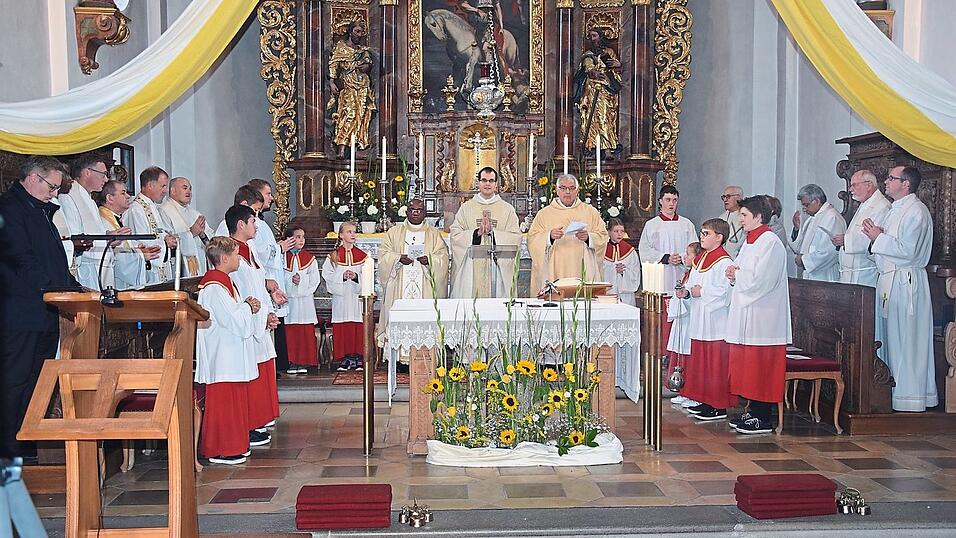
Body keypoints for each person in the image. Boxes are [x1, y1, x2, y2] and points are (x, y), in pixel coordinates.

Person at [0, 156, 80, 460]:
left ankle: (26, 442)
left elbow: (52, 260)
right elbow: (21, 260)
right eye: (52, 186)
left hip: (45, 312)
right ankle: (9, 447)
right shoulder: (9, 209)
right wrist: (56, 288)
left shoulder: (40, 210)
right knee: (15, 379)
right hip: (19, 314)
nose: (54, 194)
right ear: (33, 178)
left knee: (36, 381)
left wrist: (73, 287)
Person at [862, 166, 937, 412]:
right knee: (891, 339)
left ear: (905, 184)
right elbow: (884, 250)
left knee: (907, 341)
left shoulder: (917, 212)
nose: (886, 181)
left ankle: (909, 397)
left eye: (891, 178)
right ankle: (891, 392)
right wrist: (877, 238)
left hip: (907, 284)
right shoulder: (894, 210)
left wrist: (878, 237)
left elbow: (908, 251)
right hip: (890, 281)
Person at [724, 195, 792, 434]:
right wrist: (733, 274)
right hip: (749, 313)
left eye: (744, 215)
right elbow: (742, 273)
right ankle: (752, 411)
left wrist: (737, 274)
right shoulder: (751, 241)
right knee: (748, 366)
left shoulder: (770, 242)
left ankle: (763, 417)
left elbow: (762, 280)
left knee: (761, 366)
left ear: (759, 217)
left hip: (764, 317)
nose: (740, 219)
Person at [195, 237, 262, 465]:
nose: (238, 258)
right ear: (224, 258)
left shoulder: (225, 282)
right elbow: (232, 319)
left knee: (234, 401)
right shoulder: (214, 286)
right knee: (225, 402)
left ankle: (235, 445)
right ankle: (221, 449)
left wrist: (246, 306)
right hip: (222, 355)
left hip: (230, 352)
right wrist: (247, 306)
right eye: (235, 254)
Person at [226, 205, 278, 446]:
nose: (256, 226)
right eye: (252, 221)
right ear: (240, 225)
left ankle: (257, 420)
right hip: (247, 322)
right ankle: (248, 424)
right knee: (250, 372)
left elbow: (258, 284)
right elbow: (242, 292)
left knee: (262, 368)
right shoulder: (230, 254)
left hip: (260, 318)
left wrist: (269, 310)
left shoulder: (251, 249)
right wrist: (259, 315)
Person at [677, 219, 735, 422]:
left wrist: (701, 292)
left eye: (706, 233)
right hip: (700, 316)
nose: (701, 236)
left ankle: (718, 405)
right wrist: (686, 292)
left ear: (719, 237)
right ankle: (704, 399)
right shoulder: (701, 259)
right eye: (701, 233)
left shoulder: (725, 261)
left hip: (715, 320)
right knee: (701, 361)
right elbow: (693, 283)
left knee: (715, 362)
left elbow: (725, 291)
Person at [377, 198, 449, 348]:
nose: (415, 213)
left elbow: (443, 257)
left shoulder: (434, 234)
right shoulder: (394, 232)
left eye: (419, 210)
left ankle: (426, 354)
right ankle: (400, 357)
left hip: (425, 286)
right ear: (406, 212)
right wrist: (398, 259)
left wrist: (429, 260)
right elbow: (384, 255)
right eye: (412, 210)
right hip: (400, 285)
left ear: (425, 213)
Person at [638, 185, 697, 355]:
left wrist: (683, 259)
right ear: (660, 201)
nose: (671, 204)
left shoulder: (686, 224)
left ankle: (677, 353)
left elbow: (694, 249)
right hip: (661, 278)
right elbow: (645, 250)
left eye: (675, 200)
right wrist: (665, 258)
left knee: (680, 318)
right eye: (668, 200)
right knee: (662, 319)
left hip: (680, 274)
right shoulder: (652, 225)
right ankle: (661, 353)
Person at [527, 174, 609, 293]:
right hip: (555, 267)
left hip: (582, 266)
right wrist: (549, 236)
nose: (567, 192)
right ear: (556, 190)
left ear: (577, 190)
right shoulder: (544, 214)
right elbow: (533, 239)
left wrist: (589, 238)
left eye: (571, 188)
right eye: (563, 188)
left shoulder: (590, 212)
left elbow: (603, 236)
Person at [449, 167, 522, 298]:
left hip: (497, 267)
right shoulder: (466, 208)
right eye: (484, 180)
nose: (487, 184)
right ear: (478, 183)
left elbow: (515, 237)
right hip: (471, 267)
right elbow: (455, 234)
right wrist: (476, 233)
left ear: (496, 184)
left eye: (491, 180)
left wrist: (494, 234)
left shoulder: (507, 209)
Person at [248, 179, 293, 377]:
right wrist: (279, 248)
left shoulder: (259, 222)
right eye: (267, 194)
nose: (272, 198)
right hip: (263, 280)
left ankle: (277, 364)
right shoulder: (251, 222)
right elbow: (258, 252)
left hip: (267, 279)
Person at [58, 154, 120, 290]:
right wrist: (105, 239)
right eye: (103, 174)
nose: (106, 179)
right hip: (87, 267)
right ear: (87, 172)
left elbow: (94, 231)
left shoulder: (89, 197)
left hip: (100, 264)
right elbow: (75, 237)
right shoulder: (69, 195)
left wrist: (109, 236)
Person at [322, 222, 370, 371]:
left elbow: (368, 276)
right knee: (343, 326)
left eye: (354, 232)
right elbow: (327, 275)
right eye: (349, 232)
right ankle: (344, 358)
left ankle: (359, 357)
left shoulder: (362, 256)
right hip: (341, 298)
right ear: (341, 235)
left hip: (356, 298)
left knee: (357, 325)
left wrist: (356, 277)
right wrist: (341, 277)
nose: (353, 234)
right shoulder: (334, 256)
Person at [834, 170, 891, 287]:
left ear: (868, 185)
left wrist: (845, 240)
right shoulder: (864, 204)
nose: (850, 189)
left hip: (865, 275)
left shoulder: (881, 206)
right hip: (851, 273)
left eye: (854, 185)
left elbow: (872, 239)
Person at [329, 20, 376, 158]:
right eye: (357, 31)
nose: (359, 35)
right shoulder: (341, 48)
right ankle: (342, 148)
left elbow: (368, 65)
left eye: (361, 32)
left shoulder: (363, 51)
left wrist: (366, 67)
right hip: (348, 85)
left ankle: (357, 147)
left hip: (363, 86)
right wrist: (332, 81)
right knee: (349, 114)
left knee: (361, 115)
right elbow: (333, 64)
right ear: (350, 32)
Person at [124, 166, 178, 285]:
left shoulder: (152, 206)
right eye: (163, 186)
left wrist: (168, 238)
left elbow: (158, 233)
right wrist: (165, 243)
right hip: (149, 271)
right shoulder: (136, 209)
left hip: (160, 267)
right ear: (150, 185)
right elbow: (141, 242)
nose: (165, 191)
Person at [573, 27, 623, 153]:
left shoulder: (609, 52)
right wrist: (590, 72)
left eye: (594, 36)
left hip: (606, 88)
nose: (592, 39)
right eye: (590, 36)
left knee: (605, 117)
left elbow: (615, 71)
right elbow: (585, 70)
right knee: (591, 116)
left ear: (601, 37)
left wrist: (617, 66)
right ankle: (591, 145)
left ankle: (607, 146)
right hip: (590, 90)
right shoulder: (588, 55)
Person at [666, 241, 701, 411]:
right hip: (683, 319)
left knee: (689, 357)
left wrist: (684, 295)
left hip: (691, 320)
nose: (685, 257)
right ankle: (685, 391)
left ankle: (693, 392)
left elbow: (693, 296)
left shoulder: (696, 273)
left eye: (689, 254)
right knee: (681, 355)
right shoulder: (687, 273)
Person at [97, 179, 150, 290]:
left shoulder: (115, 218)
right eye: (123, 193)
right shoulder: (103, 221)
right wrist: (140, 256)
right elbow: (117, 258)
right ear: (110, 198)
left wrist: (136, 249)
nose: (128, 196)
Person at [282, 224, 321, 375]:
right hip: (289, 301)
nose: (301, 240)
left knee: (304, 331)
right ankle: (291, 361)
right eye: (298, 237)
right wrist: (291, 280)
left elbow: (315, 279)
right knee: (290, 332)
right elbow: (277, 276)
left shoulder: (310, 258)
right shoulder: (282, 257)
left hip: (305, 302)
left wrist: (302, 281)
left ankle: (304, 361)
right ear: (289, 238)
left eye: (303, 237)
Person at [160, 177, 212, 278]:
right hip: (178, 269)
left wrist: (202, 234)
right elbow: (168, 240)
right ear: (173, 191)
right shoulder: (164, 211)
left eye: (190, 189)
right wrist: (191, 233)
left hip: (199, 266)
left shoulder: (194, 213)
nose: (189, 191)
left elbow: (210, 240)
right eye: (185, 188)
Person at [792, 184, 846, 282]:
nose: (804, 209)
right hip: (811, 274)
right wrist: (797, 229)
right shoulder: (812, 218)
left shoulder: (832, 218)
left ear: (817, 201)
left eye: (806, 205)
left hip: (824, 275)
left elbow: (830, 252)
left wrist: (804, 261)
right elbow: (801, 246)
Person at [603, 218, 640, 306]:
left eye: (622, 231)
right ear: (609, 232)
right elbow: (598, 271)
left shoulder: (630, 251)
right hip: (608, 295)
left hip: (625, 295)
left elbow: (636, 272)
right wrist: (611, 269)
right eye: (616, 231)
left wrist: (624, 272)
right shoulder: (602, 250)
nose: (620, 234)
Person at [718, 186, 744, 258]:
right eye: (724, 197)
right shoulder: (721, 218)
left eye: (728, 196)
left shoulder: (746, 217)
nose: (725, 200)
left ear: (738, 197)